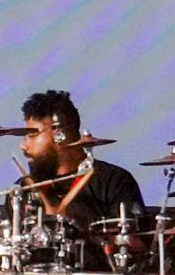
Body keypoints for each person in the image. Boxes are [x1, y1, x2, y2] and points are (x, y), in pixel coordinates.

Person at [15, 89, 144, 230]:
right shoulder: (23, 188)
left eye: (32, 135)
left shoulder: (114, 181)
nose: (23, 145)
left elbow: (132, 240)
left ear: (59, 134)